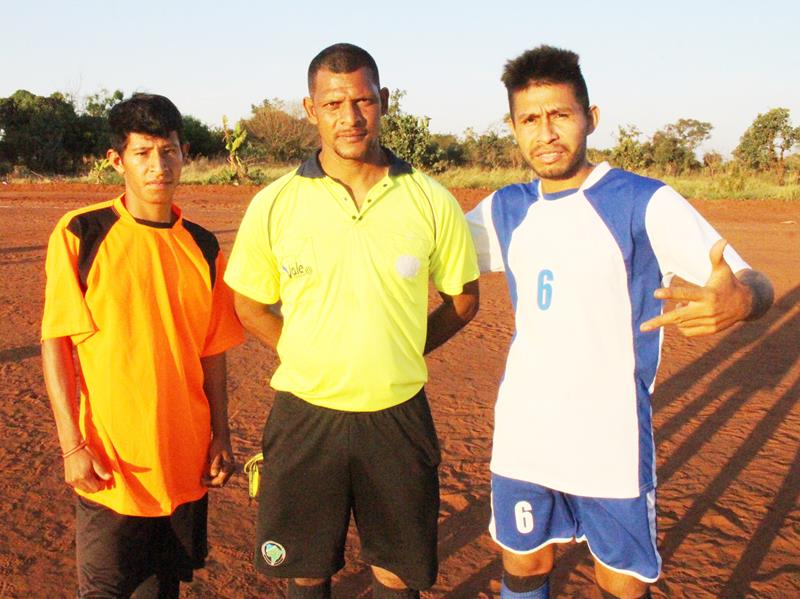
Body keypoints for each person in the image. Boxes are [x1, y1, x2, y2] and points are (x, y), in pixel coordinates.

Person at [466, 46, 774, 599]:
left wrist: (741, 301)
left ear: (591, 117)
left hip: (609, 441)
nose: (546, 132)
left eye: (560, 114)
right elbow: (424, 254)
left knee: (621, 584)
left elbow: (753, 281)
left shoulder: (641, 201)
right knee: (524, 566)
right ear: (513, 128)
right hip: (524, 435)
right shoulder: (504, 208)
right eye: (530, 119)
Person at [224, 43, 480, 599]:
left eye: (363, 100)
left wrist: (402, 349)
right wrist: (303, 352)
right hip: (305, 415)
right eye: (334, 103)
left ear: (383, 101)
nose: (350, 117)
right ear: (310, 109)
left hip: (398, 417)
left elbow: (464, 299)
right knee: (306, 568)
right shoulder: (275, 203)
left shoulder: (430, 200)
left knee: (397, 571)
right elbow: (249, 304)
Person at [41, 93, 244, 598]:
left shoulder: (203, 245)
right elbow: (57, 345)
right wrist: (72, 445)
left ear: (184, 152)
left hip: (183, 461)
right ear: (117, 161)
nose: (159, 166)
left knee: (162, 590)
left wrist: (221, 434)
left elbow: (211, 352)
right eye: (143, 153)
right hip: (112, 466)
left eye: (169, 151)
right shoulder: (82, 233)